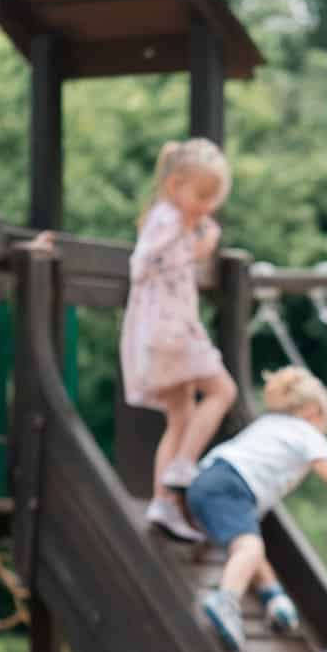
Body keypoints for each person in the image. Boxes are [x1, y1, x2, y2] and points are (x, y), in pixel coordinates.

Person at [187, 366, 327, 651]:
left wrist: (275, 594)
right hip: (232, 486)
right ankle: (225, 600)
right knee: (250, 547)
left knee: (246, 545)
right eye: (325, 421)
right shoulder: (308, 433)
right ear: (313, 412)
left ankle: (274, 596)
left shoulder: (267, 424)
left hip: (204, 481)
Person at [121, 138, 239, 543]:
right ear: (174, 186)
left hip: (166, 331)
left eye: (214, 198)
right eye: (202, 195)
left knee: (181, 413)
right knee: (223, 390)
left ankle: (163, 503)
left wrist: (195, 243)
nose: (207, 205)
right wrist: (195, 247)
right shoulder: (167, 219)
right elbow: (142, 263)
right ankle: (183, 467)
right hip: (168, 331)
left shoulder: (171, 220)